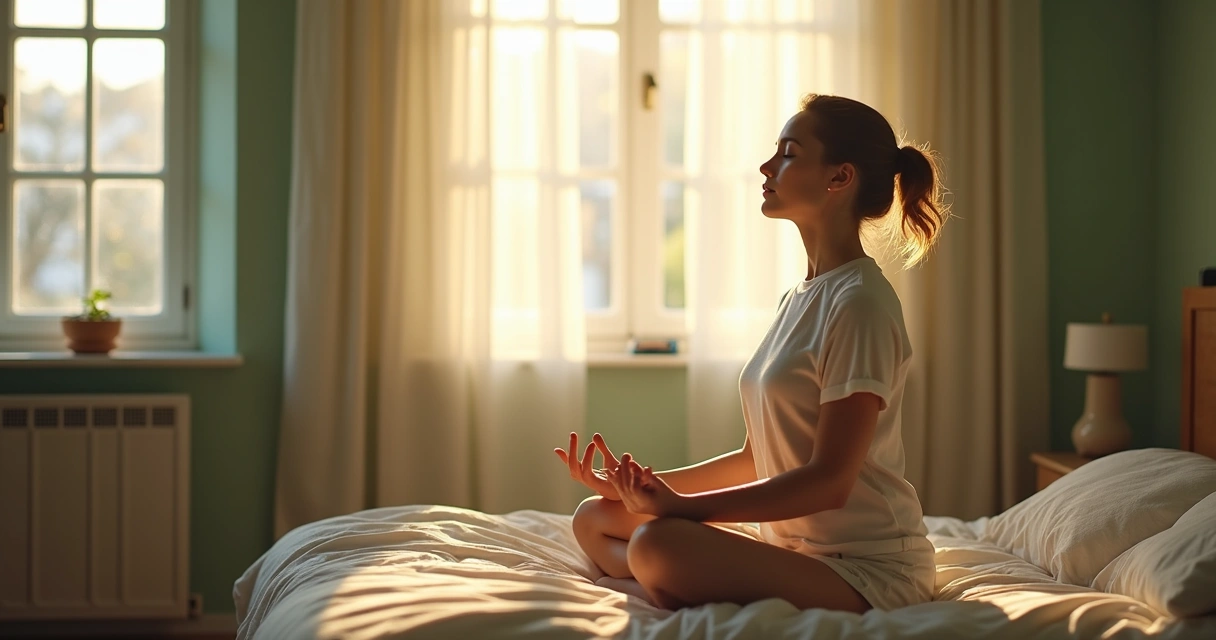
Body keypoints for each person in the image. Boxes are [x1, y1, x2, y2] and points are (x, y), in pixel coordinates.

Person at [554, 93, 948, 613]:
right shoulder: (801, 297)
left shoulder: (862, 303)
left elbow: (830, 481)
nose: (767, 166)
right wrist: (644, 491)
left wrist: (684, 511)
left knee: (656, 542)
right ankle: (675, 576)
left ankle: (669, 574)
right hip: (792, 551)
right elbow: (755, 458)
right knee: (593, 517)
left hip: (865, 568)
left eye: (788, 152)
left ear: (839, 177)